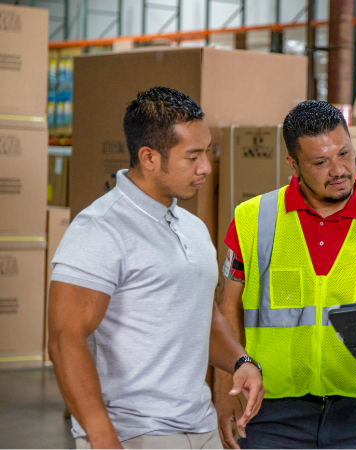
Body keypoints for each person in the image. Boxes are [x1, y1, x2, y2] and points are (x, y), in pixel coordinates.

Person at [48, 87, 264, 450]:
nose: (206, 167)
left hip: (200, 425)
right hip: (134, 434)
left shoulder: (191, 227)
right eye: (192, 156)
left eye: (206, 151)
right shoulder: (99, 229)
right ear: (149, 157)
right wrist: (102, 437)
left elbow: (199, 313)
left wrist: (240, 360)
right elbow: (64, 338)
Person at [215, 100, 356, 450]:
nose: (339, 170)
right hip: (271, 413)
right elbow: (228, 309)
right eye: (320, 162)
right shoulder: (253, 219)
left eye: (345, 154)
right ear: (293, 163)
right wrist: (226, 394)